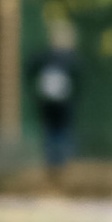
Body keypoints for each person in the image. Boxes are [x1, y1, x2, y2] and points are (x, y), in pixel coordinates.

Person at [31, 38, 77, 171]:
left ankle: (53, 162)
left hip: (49, 104)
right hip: (61, 104)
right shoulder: (70, 59)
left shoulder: (44, 58)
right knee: (60, 132)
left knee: (51, 133)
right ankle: (59, 163)